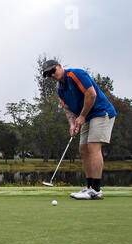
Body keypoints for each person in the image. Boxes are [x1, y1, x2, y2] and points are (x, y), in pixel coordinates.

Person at [42, 60, 117, 200]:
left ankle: (96, 189)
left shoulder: (76, 74)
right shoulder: (60, 90)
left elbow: (91, 94)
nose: (52, 75)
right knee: (83, 149)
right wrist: (72, 124)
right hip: (87, 117)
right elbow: (68, 110)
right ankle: (89, 187)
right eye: (48, 74)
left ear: (59, 66)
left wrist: (82, 116)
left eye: (53, 71)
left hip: (101, 112)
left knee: (93, 147)